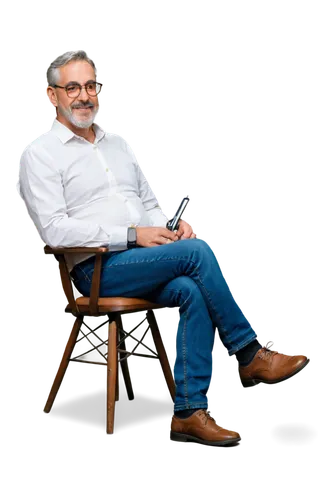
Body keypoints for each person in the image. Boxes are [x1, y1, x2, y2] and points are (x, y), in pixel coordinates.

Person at [17, 48, 311, 448]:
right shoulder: (40, 153)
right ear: (51, 95)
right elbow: (54, 231)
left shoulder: (118, 144)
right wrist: (133, 235)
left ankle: (189, 413)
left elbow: (150, 206)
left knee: (191, 283)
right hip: (95, 270)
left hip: (144, 259)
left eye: (91, 85)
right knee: (197, 253)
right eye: (72, 87)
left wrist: (171, 228)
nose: (84, 96)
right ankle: (249, 354)